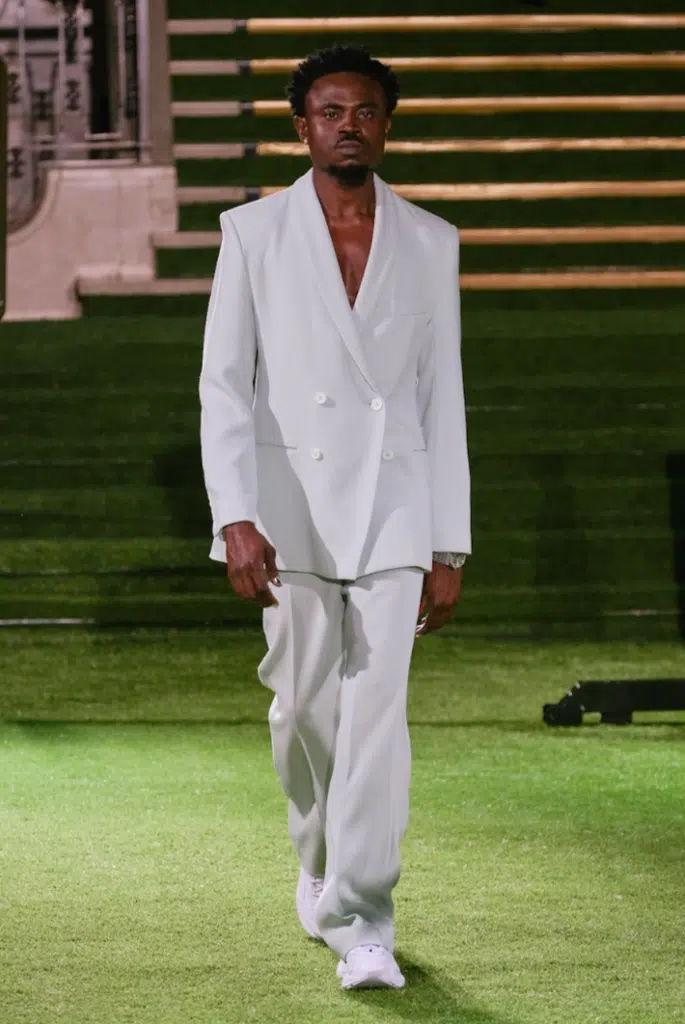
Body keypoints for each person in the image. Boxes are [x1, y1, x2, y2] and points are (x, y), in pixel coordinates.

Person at [199, 43, 470, 991]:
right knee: (304, 707)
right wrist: (235, 516)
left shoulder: (432, 241)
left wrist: (448, 540)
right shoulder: (252, 233)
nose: (345, 123)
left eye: (362, 109)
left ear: (386, 123)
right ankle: (313, 851)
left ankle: (365, 919)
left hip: (396, 505)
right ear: (301, 124)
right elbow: (225, 388)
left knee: (376, 720)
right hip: (287, 507)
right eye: (327, 109)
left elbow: (443, 398)